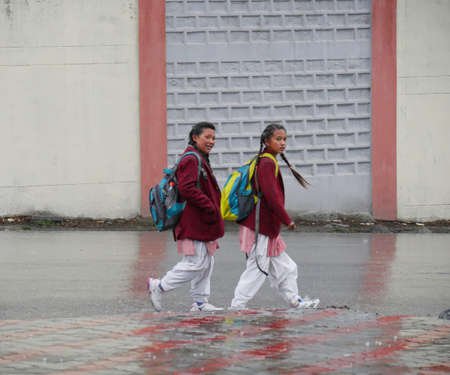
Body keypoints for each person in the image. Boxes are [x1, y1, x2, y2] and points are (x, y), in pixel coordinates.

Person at [229, 124, 320, 310]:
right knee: (257, 270)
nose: (283, 143)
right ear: (266, 141)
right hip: (259, 227)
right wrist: (287, 219)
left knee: (287, 267)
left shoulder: (267, 160)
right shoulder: (267, 163)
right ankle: (237, 305)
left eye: (284, 139)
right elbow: (271, 195)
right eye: (278, 139)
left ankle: (295, 301)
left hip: (267, 227)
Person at [148, 122, 224, 312]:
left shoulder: (199, 157)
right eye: (207, 137)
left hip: (202, 220)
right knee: (196, 262)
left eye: (213, 138)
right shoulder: (191, 159)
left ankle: (200, 302)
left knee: (207, 261)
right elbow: (187, 188)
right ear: (195, 137)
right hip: (194, 220)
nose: (211, 141)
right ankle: (159, 286)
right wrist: (210, 207)